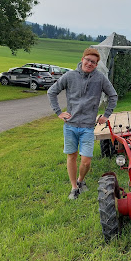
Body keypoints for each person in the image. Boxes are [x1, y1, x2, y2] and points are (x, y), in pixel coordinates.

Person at [48, 47, 118, 199]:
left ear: (96, 64)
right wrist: (59, 112)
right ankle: (74, 188)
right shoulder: (70, 76)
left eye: (93, 62)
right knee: (71, 156)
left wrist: (106, 115)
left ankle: (81, 180)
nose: (89, 63)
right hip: (70, 126)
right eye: (87, 60)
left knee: (86, 161)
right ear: (82, 59)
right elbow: (51, 91)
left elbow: (113, 95)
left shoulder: (100, 78)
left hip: (87, 127)